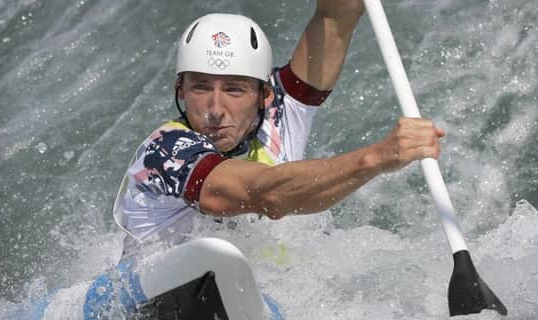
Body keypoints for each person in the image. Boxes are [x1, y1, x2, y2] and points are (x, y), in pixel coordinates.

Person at [113, 1, 444, 255]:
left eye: (233, 90)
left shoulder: (279, 110)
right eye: (200, 88)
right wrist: (377, 158)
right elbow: (267, 195)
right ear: (180, 91)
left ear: (264, 95)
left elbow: (338, 14)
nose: (214, 109)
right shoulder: (166, 151)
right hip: (151, 312)